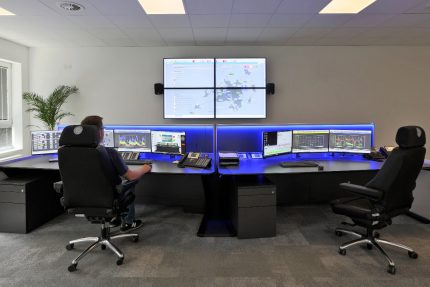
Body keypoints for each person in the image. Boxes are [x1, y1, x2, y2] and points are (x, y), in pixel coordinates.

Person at [81, 115, 151, 232]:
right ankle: (129, 222)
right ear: (99, 132)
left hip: (81, 197)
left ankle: (116, 217)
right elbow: (131, 175)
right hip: (107, 197)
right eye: (103, 128)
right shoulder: (108, 153)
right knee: (129, 182)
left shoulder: (69, 153)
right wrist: (145, 168)